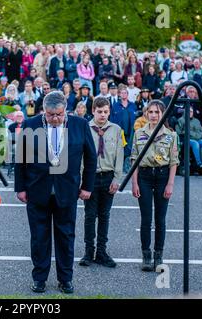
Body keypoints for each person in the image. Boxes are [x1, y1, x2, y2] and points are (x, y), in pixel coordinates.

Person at [15, 91, 97, 294]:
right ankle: (39, 279)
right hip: (37, 191)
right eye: (51, 115)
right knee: (39, 238)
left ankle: (65, 279)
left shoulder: (80, 125)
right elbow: (20, 158)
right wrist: (20, 187)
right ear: (44, 110)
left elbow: (91, 157)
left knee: (66, 237)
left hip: (67, 191)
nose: (55, 119)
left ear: (65, 110)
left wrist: (87, 186)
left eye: (59, 115)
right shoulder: (30, 125)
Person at [131, 100, 179, 272]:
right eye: (150, 112)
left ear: (163, 114)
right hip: (144, 176)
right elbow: (134, 159)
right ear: (146, 114)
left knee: (160, 219)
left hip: (162, 176)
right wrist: (134, 182)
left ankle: (158, 254)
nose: (153, 115)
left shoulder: (171, 135)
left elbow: (174, 162)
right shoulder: (138, 133)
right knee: (146, 219)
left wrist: (170, 184)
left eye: (156, 112)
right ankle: (146, 255)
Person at [79, 97, 124, 268]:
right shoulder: (85, 128)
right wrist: (81, 181)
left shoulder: (116, 130)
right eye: (99, 111)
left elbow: (119, 155)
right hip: (90, 178)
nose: (103, 115)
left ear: (109, 112)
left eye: (106, 111)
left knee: (105, 215)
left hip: (108, 177)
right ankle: (88, 251)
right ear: (93, 111)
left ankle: (102, 251)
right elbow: (80, 155)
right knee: (90, 215)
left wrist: (117, 179)